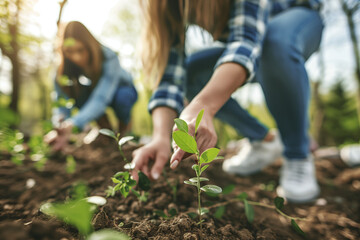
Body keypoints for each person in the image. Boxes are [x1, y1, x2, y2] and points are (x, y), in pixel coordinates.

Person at [132, 0, 323, 203]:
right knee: (193, 73)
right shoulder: (167, 5)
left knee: (275, 41)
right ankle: (263, 141)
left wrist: (203, 105)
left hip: (299, 19)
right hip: (255, 44)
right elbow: (170, 76)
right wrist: (160, 137)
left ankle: (297, 154)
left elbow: (245, 42)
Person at [45, 21, 137, 151]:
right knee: (78, 92)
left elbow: (101, 97)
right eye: (70, 51)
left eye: (80, 50)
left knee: (122, 97)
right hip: (96, 92)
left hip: (121, 90)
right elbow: (61, 103)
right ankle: (107, 133)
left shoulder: (108, 56)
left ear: (89, 46)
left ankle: (123, 133)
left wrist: (73, 123)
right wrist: (60, 126)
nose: (76, 57)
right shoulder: (63, 69)